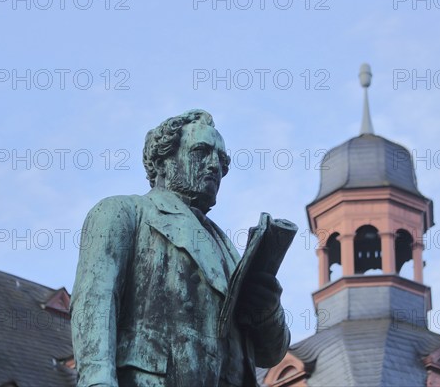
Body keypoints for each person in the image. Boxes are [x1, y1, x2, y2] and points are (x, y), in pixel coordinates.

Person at [70, 109, 290, 386]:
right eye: (201, 151)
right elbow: (95, 303)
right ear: (162, 161)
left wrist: (268, 309)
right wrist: (97, 381)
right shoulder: (122, 212)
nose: (215, 166)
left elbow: (270, 354)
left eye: (221, 160)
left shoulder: (230, 252)